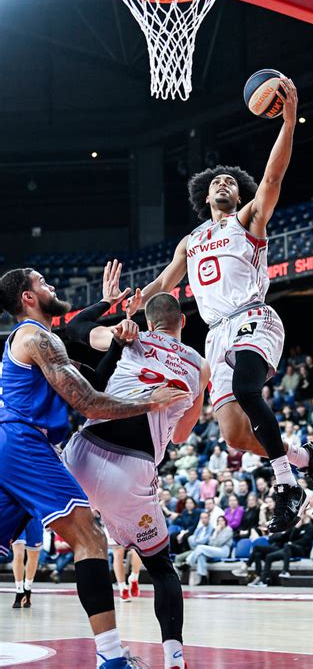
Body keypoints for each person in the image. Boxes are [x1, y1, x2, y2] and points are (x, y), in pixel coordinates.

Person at [132, 78, 313, 532]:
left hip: (253, 318)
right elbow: (165, 283)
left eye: (230, 182)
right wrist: (132, 301)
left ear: (238, 196)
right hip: (216, 333)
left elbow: (273, 177)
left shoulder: (247, 220)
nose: (223, 183)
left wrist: (287, 120)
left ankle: (286, 484)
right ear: (205, 195)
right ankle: (307, 457)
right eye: (216, 181)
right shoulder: (191, 240)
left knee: (247, 391)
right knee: (235, 435)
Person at [0, 267, 182, 669]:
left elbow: (97, 382)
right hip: (22, 442)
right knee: (90, 539)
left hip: (16, 445)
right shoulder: (35, 338)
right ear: (27, 298)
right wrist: (151, 404)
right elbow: (91, 405)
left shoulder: (46, 343)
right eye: (42, 282)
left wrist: (111, 315)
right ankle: (112, 659)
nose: (51, 285)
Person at [64, 284, 211, 669]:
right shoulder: (199, 364)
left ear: (148, 322)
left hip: (80, 453)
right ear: (182, 322)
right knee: (160, 566)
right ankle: (174, 659)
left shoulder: (129, 336)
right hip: (129, 472)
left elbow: (76, 328)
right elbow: (179, 436)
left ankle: (110, 650)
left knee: (86, 545)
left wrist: (110, 305)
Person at [187, 516, 233, 585]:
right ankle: (203, 578)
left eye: (222, 521)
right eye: (218, 521)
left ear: (225, 522)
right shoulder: (216, 530)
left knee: (200, 547)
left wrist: (216, 533)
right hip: (215, 550)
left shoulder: (228, 530)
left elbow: (219, 543)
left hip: (224, 550)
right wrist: (215, 533)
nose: (220, 523)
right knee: (201, 555)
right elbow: (210, 543)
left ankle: (188, 562)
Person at [11, 517, 42, 609]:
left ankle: (27, 589)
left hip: (34, 515)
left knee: (33, 555)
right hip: (16, 514)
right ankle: (19, 591)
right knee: (18, 554)